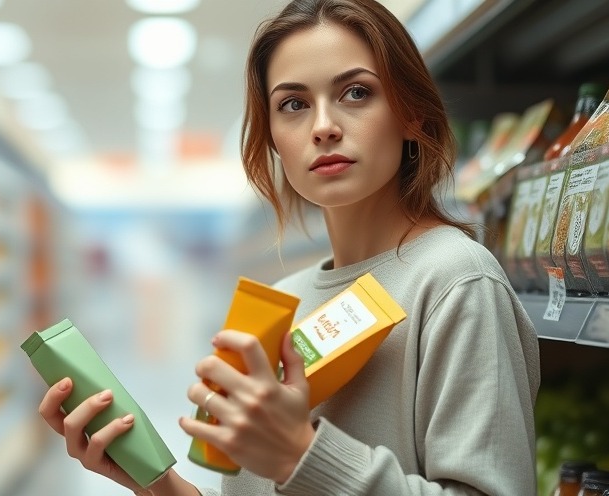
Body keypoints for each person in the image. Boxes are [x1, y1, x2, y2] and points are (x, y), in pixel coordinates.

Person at [37, 0, 541, 494]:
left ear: (411, 114)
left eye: (356, 93)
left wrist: (300, 456)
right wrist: (161, 485)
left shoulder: (457, 281)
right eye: (293, 104)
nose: (323, 126)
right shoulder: (286, 298)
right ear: (274, 137)